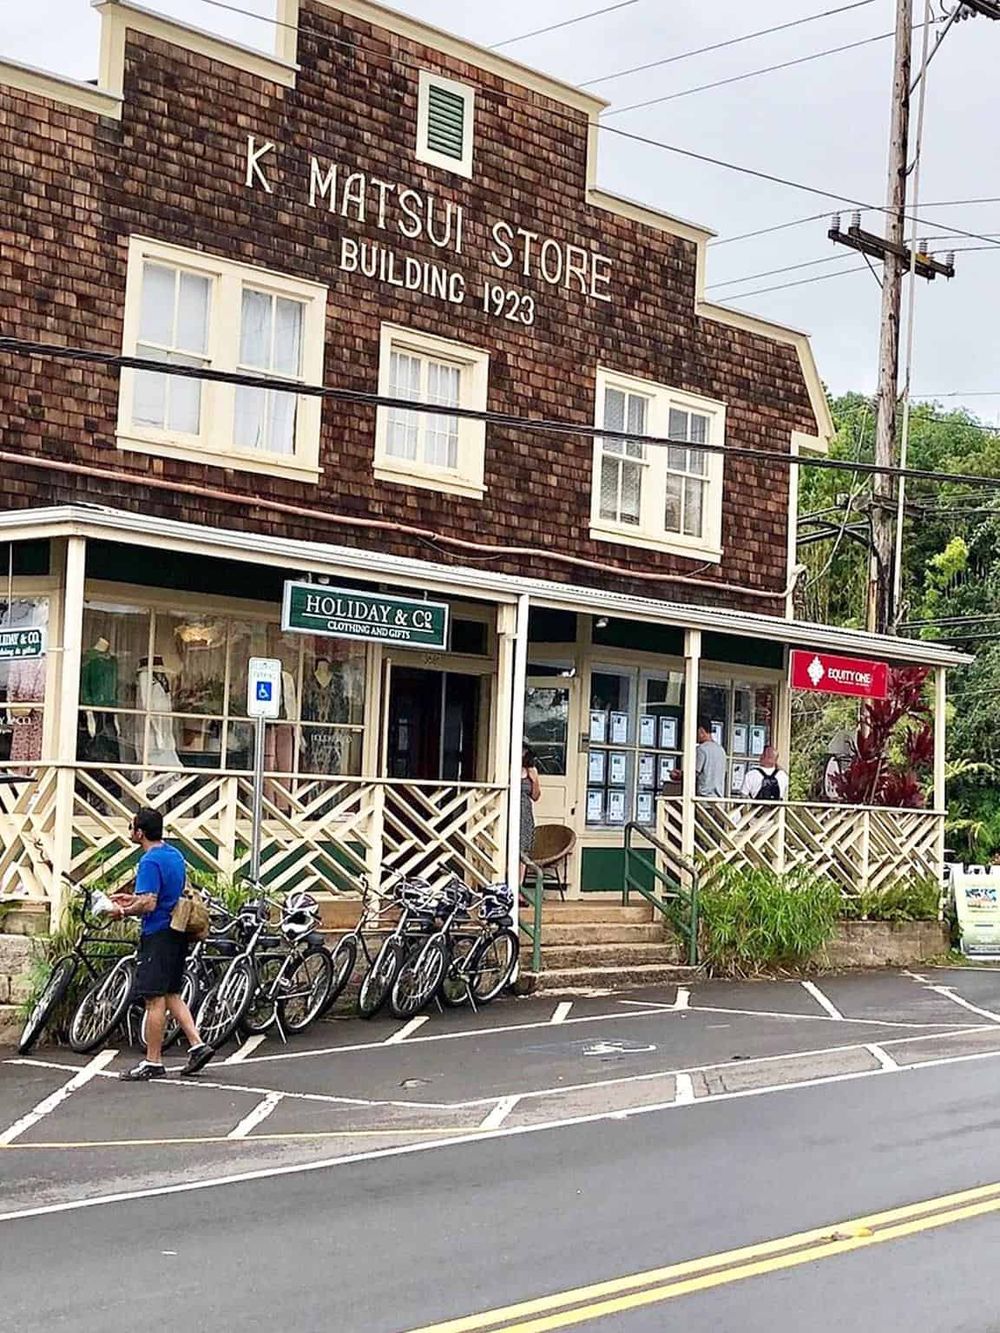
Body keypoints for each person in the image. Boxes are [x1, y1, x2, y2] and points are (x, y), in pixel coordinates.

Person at [111, 807, 214, 1081]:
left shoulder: (149, 861)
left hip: (157, 933)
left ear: (140, 833)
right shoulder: (174, 855)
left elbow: (149, 902)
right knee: (171, 993)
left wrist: (122, 910)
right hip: (177, 929)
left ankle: (153, 1061)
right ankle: (197, 1044)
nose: (129, 831)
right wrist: (131, 899)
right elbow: (166, 893)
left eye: (131, 827)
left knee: (154, 999)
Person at [674, 717, 727, 797]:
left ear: (701, 731)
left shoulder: (701, 749)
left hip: (703, 797)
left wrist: (679, 775)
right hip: (718, 798)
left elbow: (694, 774)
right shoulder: (721, 750)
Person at [520, 746, 542, 882]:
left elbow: (536, 796)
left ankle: (519, 884)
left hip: (525, 813)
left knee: (523, 849)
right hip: (509, 810)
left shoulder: (531, 770)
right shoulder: (507, 768)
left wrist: (534, 780)